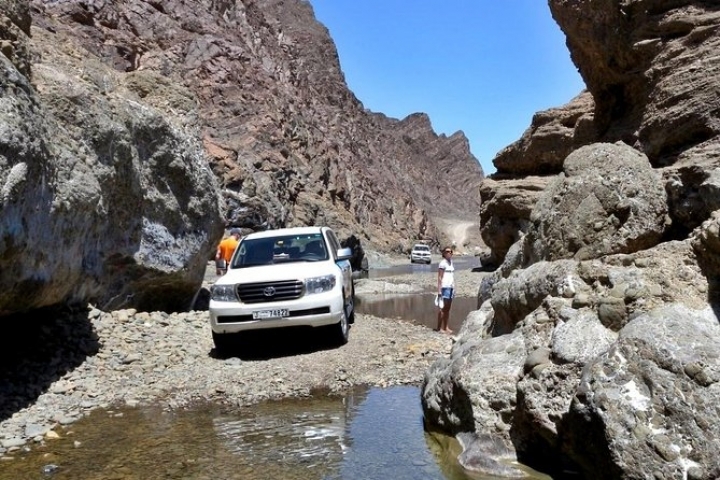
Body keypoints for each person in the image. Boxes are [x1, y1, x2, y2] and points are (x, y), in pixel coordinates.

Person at [436, 246, 455, 334]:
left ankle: (446, 327)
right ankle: (439, 328)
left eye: (450, 252)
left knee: (448, 308)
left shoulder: (451, 262)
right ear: (444, 253)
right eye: (447, 251)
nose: (449, 253)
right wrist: (439, 291)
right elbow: (440, 277)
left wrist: (454, 287)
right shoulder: (442, 263)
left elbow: (452, 276)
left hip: (451, 287)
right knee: (442, 308)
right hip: (444, 287)